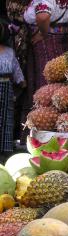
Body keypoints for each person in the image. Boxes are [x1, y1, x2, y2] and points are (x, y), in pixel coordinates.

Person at [24, 0, 68, 92]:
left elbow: (43, 17)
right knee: (58, 74)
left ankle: (43, 104)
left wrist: (42, 34)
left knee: (46, 75)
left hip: (45, 41)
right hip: (63, 38)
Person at [0, 20, 25, 153]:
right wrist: (22, 83)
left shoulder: (10, 52)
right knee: (6, 119)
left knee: (5, 118)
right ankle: (4, 148)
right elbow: (17, 73)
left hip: (7, 88)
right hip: (6, 87)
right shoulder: (9, 52)